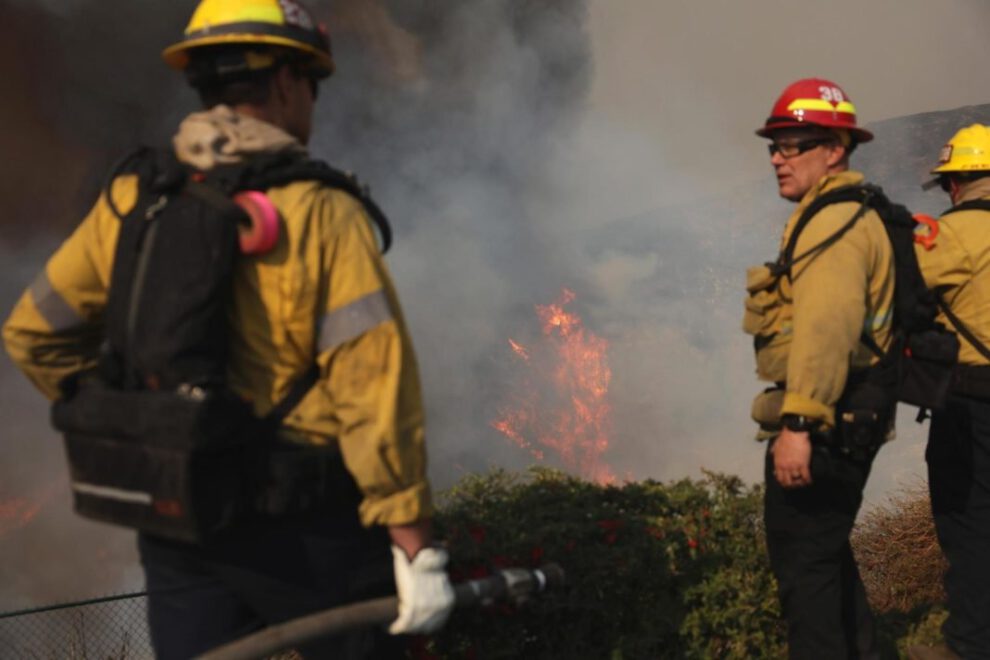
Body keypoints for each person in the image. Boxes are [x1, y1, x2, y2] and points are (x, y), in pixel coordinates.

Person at [2, 0, 454, 657]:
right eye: (312, 84)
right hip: (303, 523)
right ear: (285, 83)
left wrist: (135, 418)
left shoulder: (136, 197)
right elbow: (373, 391)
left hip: (177, 517)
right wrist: (415, 547)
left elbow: (31, 333)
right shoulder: (320, 212)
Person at [743, 78, 895, 659]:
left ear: (835, 148)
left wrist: (799, 427)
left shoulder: (834, 222)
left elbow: (826, 329)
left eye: (794, 144)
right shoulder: (839, 214)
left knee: (806, 580)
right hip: (846, 414)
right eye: (773, 146)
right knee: (826, 564)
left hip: (828, 421)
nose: (779, 158)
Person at [908, 124, 990, 660]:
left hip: (971, 402)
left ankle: (971, 644)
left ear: (956, 182)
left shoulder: (946, 236)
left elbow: (897, 302)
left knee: (970, 521)